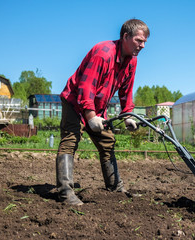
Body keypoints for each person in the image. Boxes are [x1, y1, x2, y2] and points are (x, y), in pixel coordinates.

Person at [56, 19, 150, 205]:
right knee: (70, 140)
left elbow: (126, 91)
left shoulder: (132, 61)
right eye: (139, 40)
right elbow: (85, 86)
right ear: (125, 36)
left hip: (97, 106)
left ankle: (115, 187)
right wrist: (90, 116)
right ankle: (65, 192)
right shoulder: (103, 52)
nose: (143, 45)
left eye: (145, 41)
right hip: (75, 102)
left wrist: (128, 115)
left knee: (107, 141)